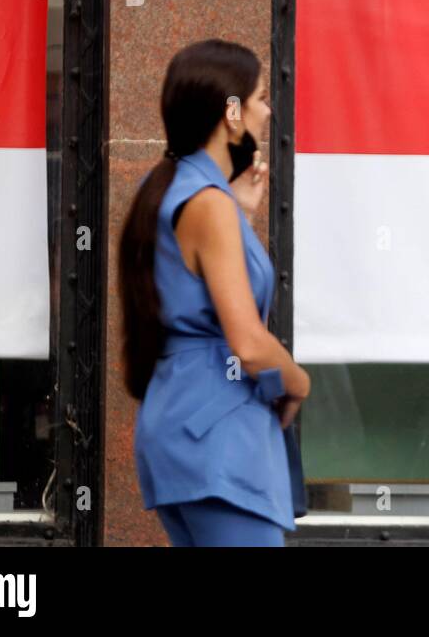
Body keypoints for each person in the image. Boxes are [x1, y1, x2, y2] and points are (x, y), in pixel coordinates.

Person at [121, 39, 310, 546]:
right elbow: (247, 343)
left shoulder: (168, 188)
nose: (268, 110)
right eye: (261, 97)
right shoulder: (209, 204)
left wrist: (238, 211)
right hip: (221, 431)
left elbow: (190, 289)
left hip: (179, 423)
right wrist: (298, 380)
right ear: (231, 113)